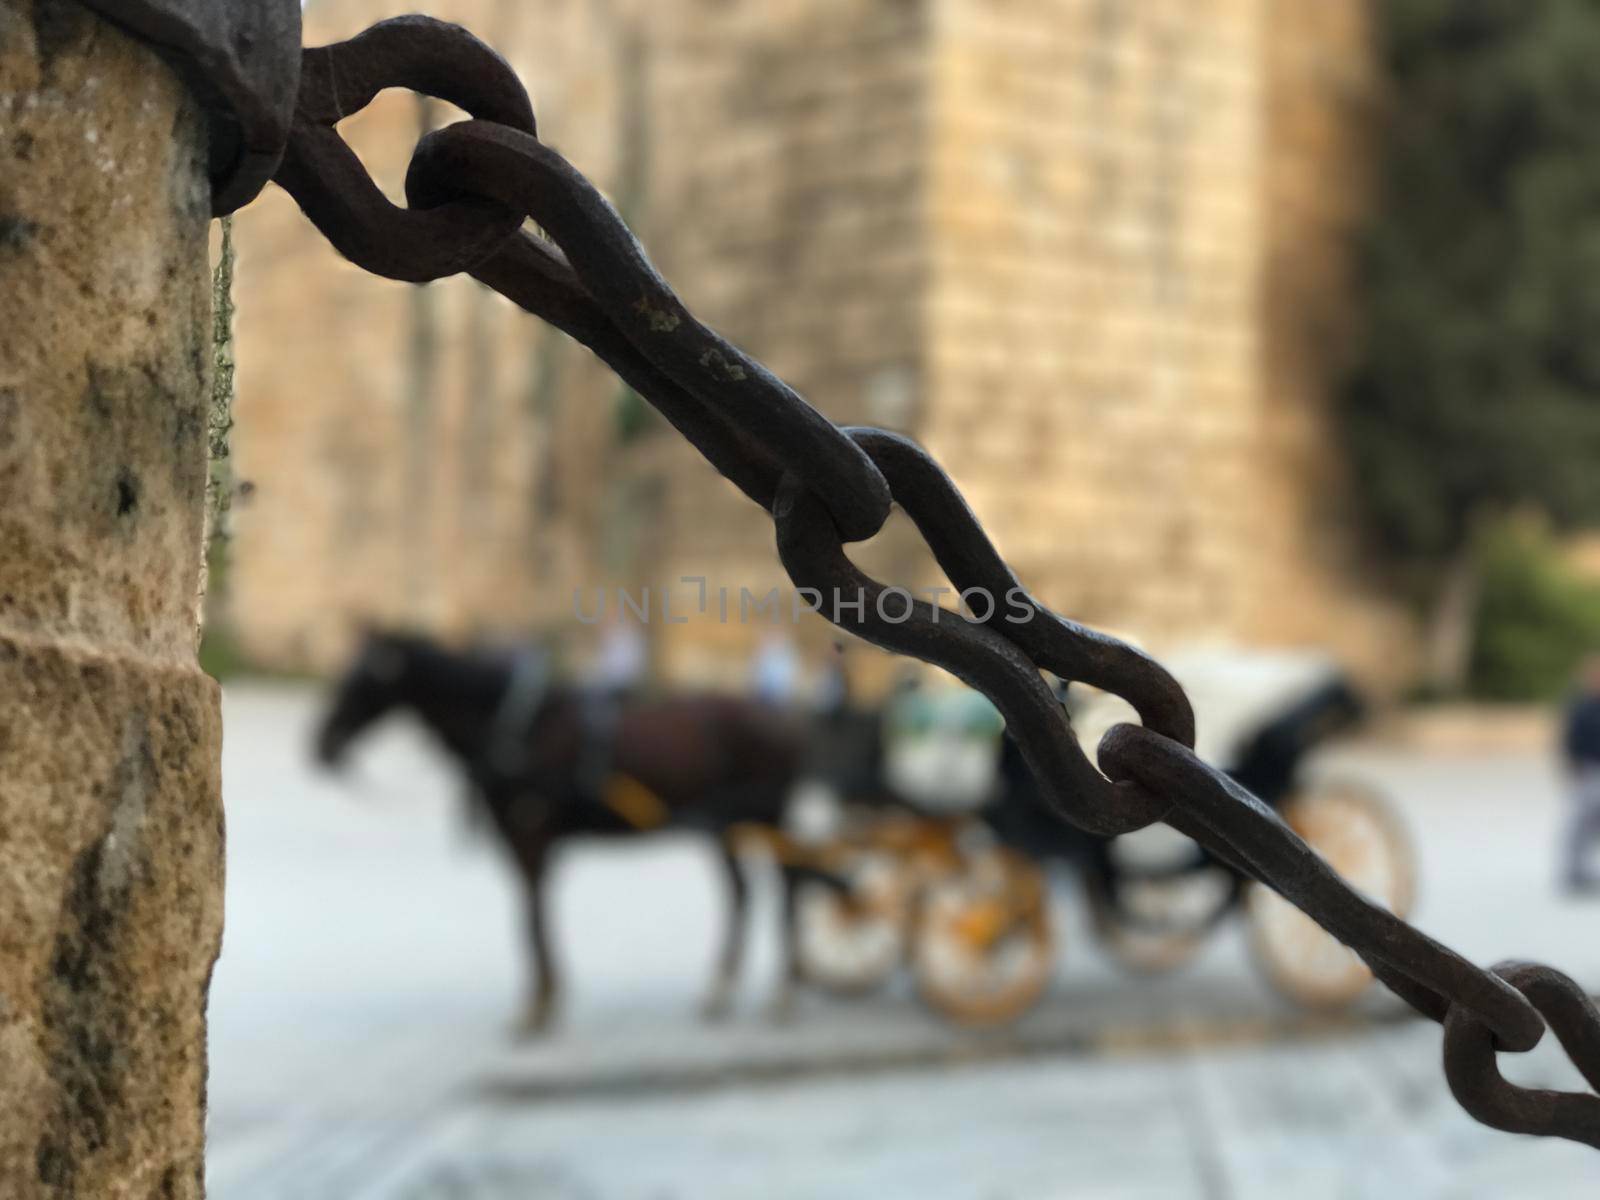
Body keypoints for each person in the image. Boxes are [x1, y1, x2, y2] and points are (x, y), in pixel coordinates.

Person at [1560, 654, 1600, 893]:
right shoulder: (1581, 707)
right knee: (1581, 823)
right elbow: (1571, 741)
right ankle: (1575, 872)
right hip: (1590, 770)